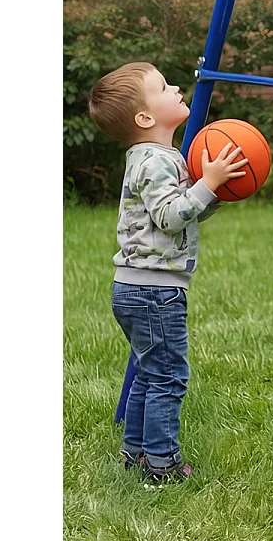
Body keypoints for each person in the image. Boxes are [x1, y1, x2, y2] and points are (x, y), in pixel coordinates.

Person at [87, 62, 247, 484]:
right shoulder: (155, 161)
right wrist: (207, 184)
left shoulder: (154, 157)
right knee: (168, 378)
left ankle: (135, 453)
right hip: (154, 293)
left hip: (137, 289)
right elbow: (171, 216)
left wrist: (213, 192)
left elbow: (180, 212)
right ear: (145, 118)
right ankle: (162, 464)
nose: (175, 87)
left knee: (149, 374)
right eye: (162, 87)